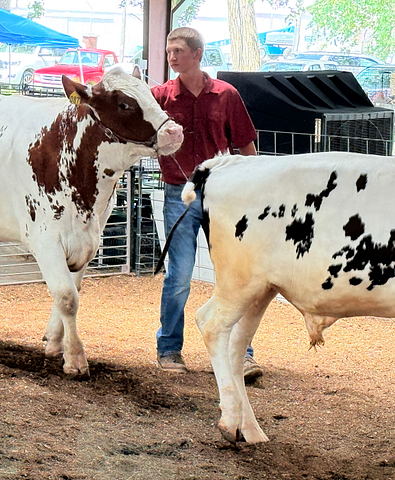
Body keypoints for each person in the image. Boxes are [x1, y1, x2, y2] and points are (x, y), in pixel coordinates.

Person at [152, 27, 263, 381]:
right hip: (178, 192)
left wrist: (254, 188)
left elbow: (245, 145)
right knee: (180, 274)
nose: (172, 57)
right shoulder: (160, 97)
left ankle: (241, 353)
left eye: (178, 50)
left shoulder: (226, 95)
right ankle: (169, 348)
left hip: (223, 193)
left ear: (198, 54)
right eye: (169, 51)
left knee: (234, 275)